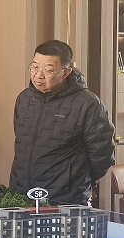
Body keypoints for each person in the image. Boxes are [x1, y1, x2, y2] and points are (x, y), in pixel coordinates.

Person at [10, 39, 115, 206]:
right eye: (35, 67)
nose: (38, 75)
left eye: (48, 70)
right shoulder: (24, 99)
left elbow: (102, 155)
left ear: (66, 72)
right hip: (22, 192)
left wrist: (77, 181)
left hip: (65, 197)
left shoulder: (88, 104)